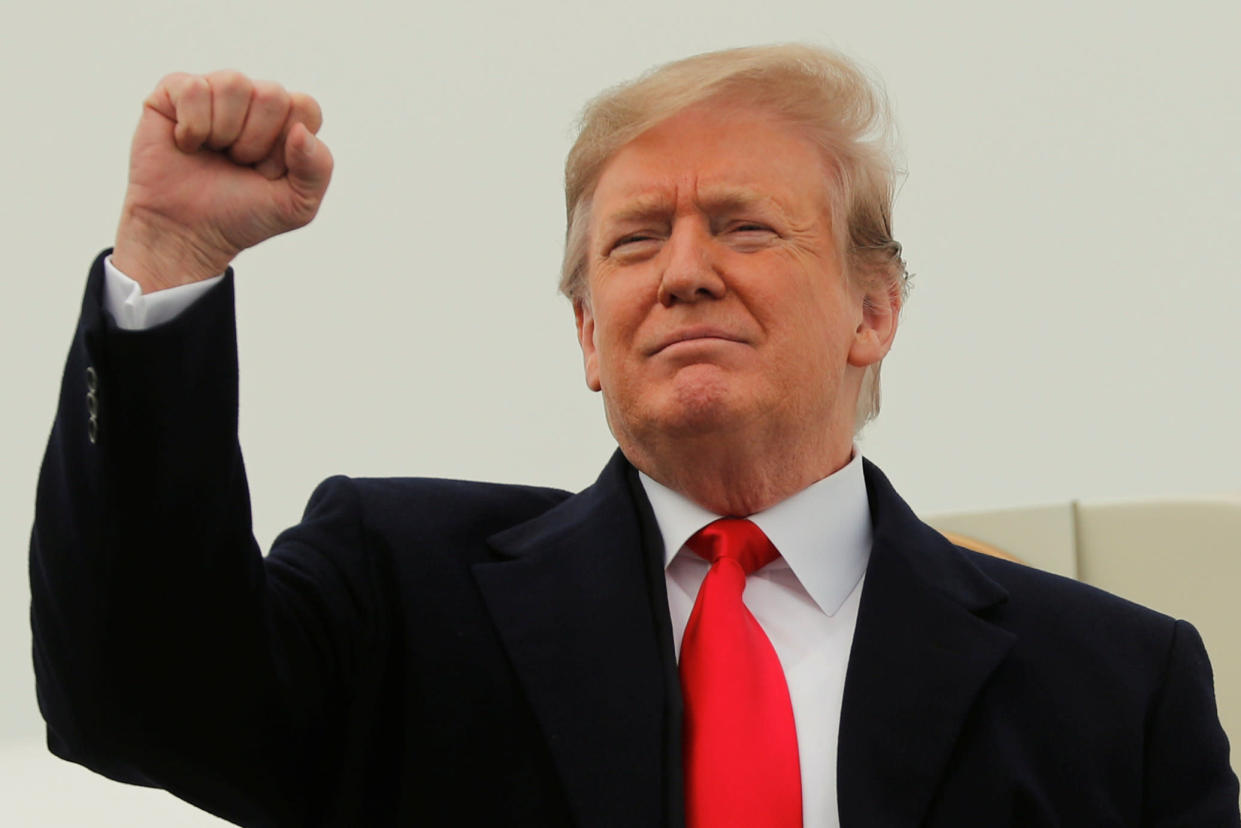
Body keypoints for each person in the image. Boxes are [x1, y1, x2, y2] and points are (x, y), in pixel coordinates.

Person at [30, 44, 1238, 828]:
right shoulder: (400, 596)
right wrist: (170, 262)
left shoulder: (1112, 687)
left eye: (744, 227)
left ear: (874, 309)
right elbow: (134, 698)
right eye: (632, 241)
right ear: (588, 339)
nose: (683, 273)